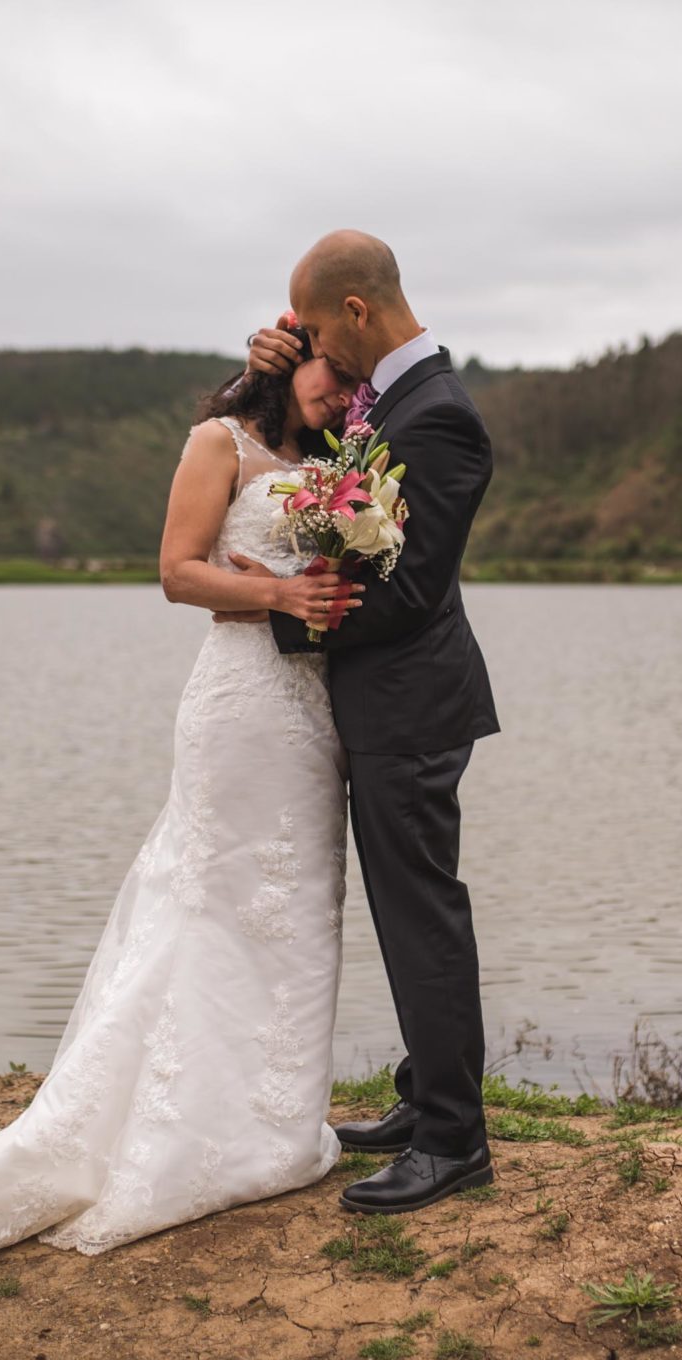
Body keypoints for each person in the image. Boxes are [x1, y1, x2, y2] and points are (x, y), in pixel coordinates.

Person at [0, 327, 363, 1266]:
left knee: (298, 908)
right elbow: (178, 571)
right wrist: (275, 600)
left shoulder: (337, 463)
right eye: (333, 375)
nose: (344, 394)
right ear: (287, 357)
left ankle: (273, 1120)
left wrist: (323, 590)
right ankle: (168, 1131)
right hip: (240, 709)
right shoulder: (219, 441)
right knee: (216, 904)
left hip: (314, 715)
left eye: (355, 384)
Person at [240, 228, 502, 1214]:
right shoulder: (379, 400)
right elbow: (337, 483)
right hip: (391, 702)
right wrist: (276, 365)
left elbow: (410, 590)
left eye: (316, 328)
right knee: (406, 912)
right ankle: (421, 1098)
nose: (312, 347)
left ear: (354, 311)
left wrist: (288, 613)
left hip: (413, 704)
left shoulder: (436, 415)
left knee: (421, 911)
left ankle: (454, 1141)